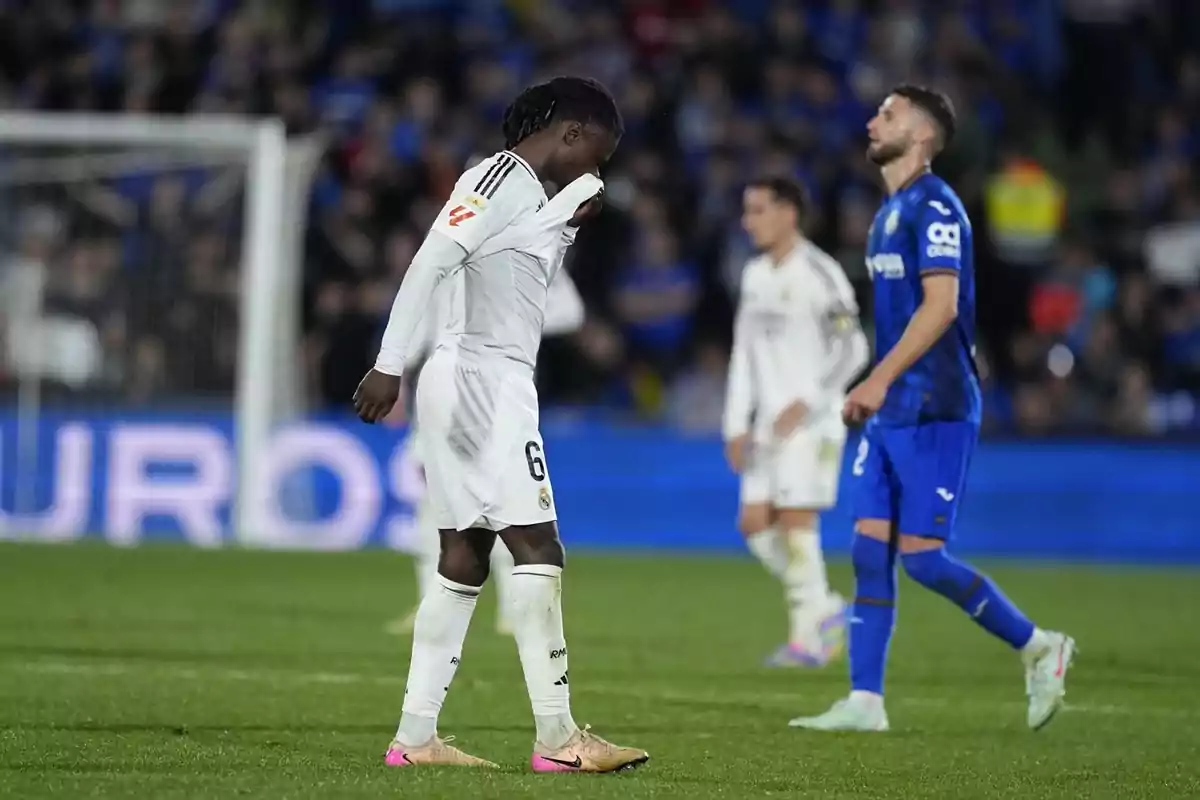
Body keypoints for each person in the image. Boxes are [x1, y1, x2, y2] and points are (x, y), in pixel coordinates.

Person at [354, 76, 649, 772]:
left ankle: (416, 736)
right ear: (570, 134)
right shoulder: (500, 176)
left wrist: (567, 217)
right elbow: (432, 259)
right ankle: (559, 740)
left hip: (469, 379)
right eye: (596, 156)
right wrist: (387, 364)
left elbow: (509, 270)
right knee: (539, 547)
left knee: (464, 555)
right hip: (485, 381)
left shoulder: (521, 193)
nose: (596, 171)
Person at [789, 85, 1075, 733]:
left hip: (935, 407)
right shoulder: (887, 213)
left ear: (919, 135)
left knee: (920, 558)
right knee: (867, 552)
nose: (871, 120)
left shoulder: (937, 207)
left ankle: (1040, 646)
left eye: (886, 114)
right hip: (892, 407)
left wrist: (877, 380)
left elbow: (941, 308)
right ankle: (865, 701)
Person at [385, 266, 587, 638]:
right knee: (433, 506)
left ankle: (516, 610)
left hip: (500, 396)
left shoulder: (531, 254)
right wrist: (396, 371)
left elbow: (570, 311)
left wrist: (515, 318)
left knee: (506, 505)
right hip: (442, 392)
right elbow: (426, 321)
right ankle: (433, 605)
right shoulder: (453, 248)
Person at [723, 176, 869, 667]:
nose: (749, 220)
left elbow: (854, 348)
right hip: (766, 426)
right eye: (747, 210)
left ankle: (808, 640)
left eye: (758, 209)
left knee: (795, 520)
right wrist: (735, 423)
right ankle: (826, 609)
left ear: (789, 213)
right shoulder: (755, 274)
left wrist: (806, 400)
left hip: (812, 422)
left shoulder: (820, 272)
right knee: (754, 524)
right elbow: (743, 352)